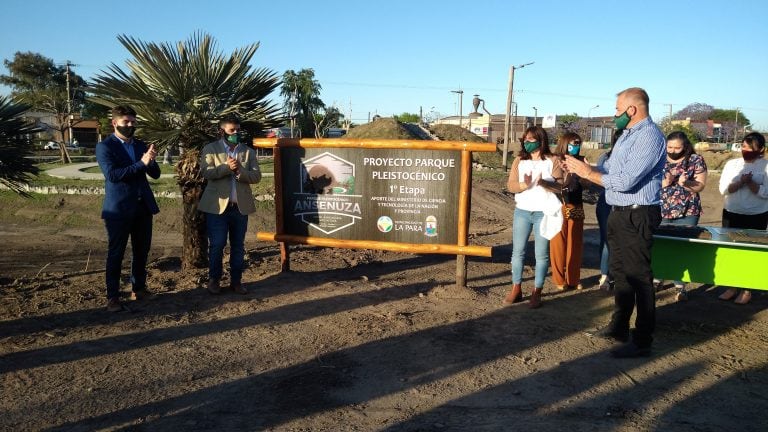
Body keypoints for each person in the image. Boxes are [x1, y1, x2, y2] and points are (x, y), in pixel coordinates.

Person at [564, 87, 666, 358]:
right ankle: (619, 326)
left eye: (618, 109)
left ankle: (642, 339)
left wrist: (588, 172)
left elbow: (625, 181)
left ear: (632, 109)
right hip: (618, 211)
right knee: (620, 272)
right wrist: (586, 170)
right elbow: (611, 173)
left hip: (638, 212)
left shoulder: (649, 137)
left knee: (639, 277)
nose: (615, 114)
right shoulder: (627, 136)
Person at [96, 105, 161, 312]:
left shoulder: (141, 144)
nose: (130, 125)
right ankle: (113, 297)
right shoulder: (105, 147)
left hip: (143, 207)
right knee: (116, 253)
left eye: (133, 122)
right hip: (119, 210)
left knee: (142, 251)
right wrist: (142, 164)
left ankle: (139, 288)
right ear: (115, 123)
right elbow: (113, 175)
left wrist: (150, 161)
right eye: (126, 122)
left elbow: (156, 174)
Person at [198, 115, 262, 295]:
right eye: (232, 130)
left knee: (238, 246)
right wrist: (226, 167)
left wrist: (240, 172)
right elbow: (206, 172)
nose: (235, 133)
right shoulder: (211, 149)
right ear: (222, 131)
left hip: (239, 208)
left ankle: (236, 281)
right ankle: (214, 280)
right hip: (217, 208)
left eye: (238, 130)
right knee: (217, 244)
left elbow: (256, 176)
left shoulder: (248, 152)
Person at [503, 125, 563, 309]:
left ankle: (537, 290)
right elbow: (510, 185)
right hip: (522, 211)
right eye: (525, 140)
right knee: (518, 251)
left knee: (541, 255)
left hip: (543, 213)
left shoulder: (552, 160)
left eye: (531, 140)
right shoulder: (519, 161)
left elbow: (561, 187)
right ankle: (516, 287)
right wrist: (524, 184)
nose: (527, 143)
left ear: (540, 140)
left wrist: (544, 182)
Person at [654, 131, 708, 301]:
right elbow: (649, 183)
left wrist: (687, 183)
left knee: (682, 247)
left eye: (677, 148)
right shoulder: (658, 159)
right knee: (661, 246)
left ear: (685, 146)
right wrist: (664, 183)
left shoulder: (695, 160)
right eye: (670, 147)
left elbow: (700, 186)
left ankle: (680, 285)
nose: (673, 150)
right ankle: (657, 278)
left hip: (688, 211)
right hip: (661, 209)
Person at [716, 132, 768, 305]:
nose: (746, 150)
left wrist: (752, 184)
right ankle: (732, 286)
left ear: (761, 149)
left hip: (756, 215)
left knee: (751, 252)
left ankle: (747, 289)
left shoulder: (766, 166)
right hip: (732, 213)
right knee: (730, 250)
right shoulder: (732, 164)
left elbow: (766, 193)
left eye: (751, 148)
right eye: (744, 146)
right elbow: (723, 189)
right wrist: (740, 183)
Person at [549, 132, 586, 291]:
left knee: (575, 244)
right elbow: (559, 184)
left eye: (578, 143)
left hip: (577, 205)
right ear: (565, 143)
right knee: (558, 243)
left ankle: (573, 278)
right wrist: (569, 172)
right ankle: (559, 279)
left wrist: (585, 173)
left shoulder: (582, 161)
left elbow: (587, 185)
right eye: (573, 143)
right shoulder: (556, 159)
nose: (576, 146)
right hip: (558, 205)